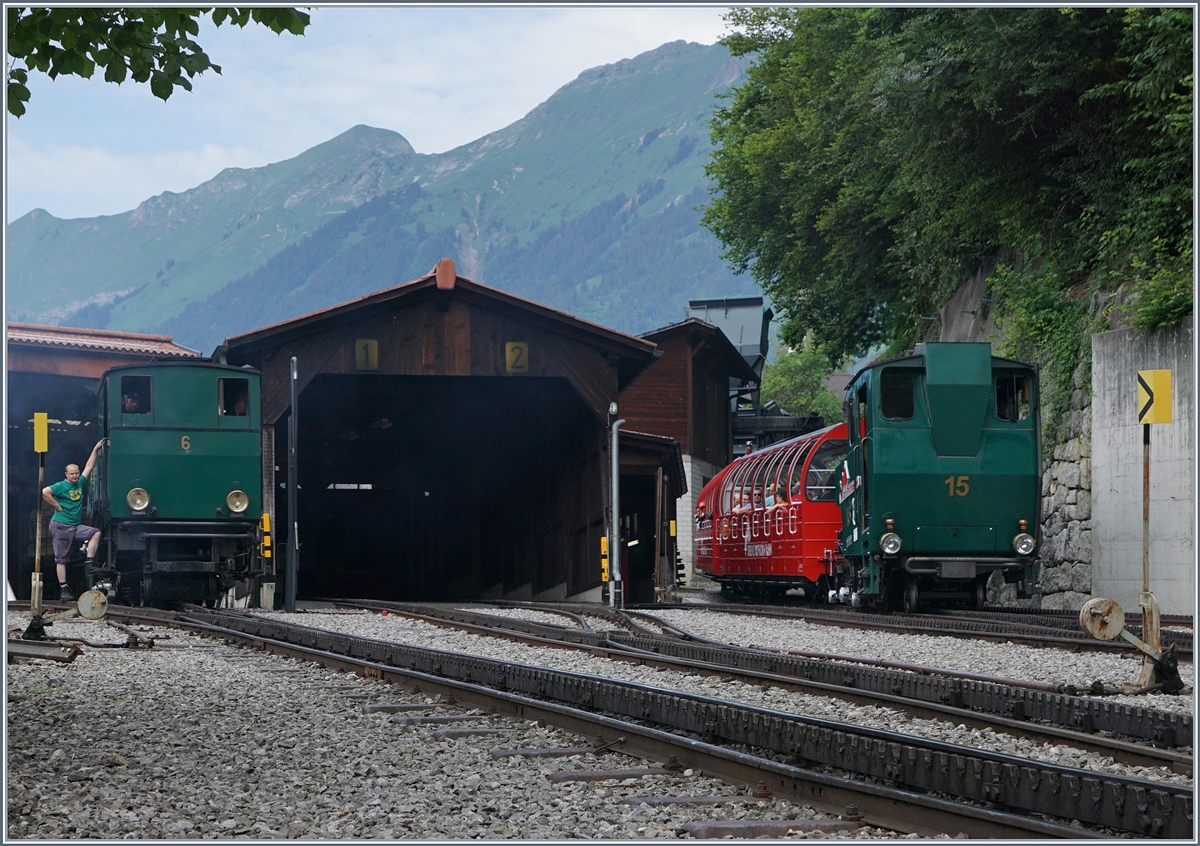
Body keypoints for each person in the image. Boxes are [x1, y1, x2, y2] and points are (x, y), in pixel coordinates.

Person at [42, 440, 106, 601]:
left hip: (75, 526)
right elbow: (44, 492)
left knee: (96, 533)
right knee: (61, 559)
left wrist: (95, 448)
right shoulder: (61, 486)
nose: (75, 475)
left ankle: (89, 561)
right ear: (66, 474)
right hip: (61, 525)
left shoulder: (80, 483)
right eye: (72, 473)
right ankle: (64, 589)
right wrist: (57, 505)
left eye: (76, 473)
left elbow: (89, 466)